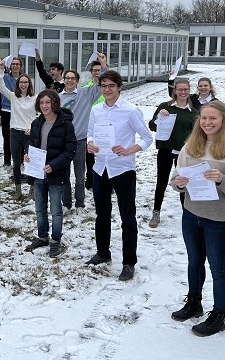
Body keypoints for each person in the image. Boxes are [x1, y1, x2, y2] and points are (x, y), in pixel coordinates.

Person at [170, 100, 225, 337]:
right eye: (204, 118)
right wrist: (178, 184)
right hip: (192, 214)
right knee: (194, 262)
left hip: (220, 219)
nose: (207, 123)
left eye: (213, 118)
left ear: (224, 121)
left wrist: (222, 180)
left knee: (218, 268)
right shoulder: (191, 145)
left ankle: (219, 315)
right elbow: (177, 177)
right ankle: (194, 302)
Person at [85, 71, 153, 282]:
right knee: (102, 215)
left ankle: (128, 263)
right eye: (103, 86)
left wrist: (129, 150)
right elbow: (90, 134)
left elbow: (147, 138)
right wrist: (90, 144)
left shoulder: (130, 110)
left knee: (127, 218)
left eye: (111, 86)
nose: (107, 89)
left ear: (119, 87)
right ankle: (103, 253)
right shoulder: (96, 110)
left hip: (122, 168)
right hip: (100, 168)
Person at [24, 89, 76, 257]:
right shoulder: (36, 123)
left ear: (54, 103)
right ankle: (42, 236)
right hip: (38, 173)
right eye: (42, 103)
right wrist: (28, 155)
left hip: (56, 174)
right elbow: (32, 144)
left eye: (48, 102)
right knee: (39, 209)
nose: (45, 106)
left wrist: (54, 165)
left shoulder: (66, 124)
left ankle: (55, 240)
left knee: (56, 210)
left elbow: (70, 150)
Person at [59, 53, 107, 216]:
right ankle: (66, 204)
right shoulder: (57, 98)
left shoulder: (86, 94)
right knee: (64, 176)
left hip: (79, 141)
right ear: (64, 80)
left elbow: (103, 83)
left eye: (73, 78)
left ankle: (80, 203)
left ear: (77, 81)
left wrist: (103, 65)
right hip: (62, 143)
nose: (70, 80)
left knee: (80, 175)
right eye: (67, 78)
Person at [147, 78, 199, 228]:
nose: (183, 92)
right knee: (161, 181)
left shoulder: (193, 112)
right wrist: (159, 118)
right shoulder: (165, 107)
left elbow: (196, 134)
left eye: (186, 89)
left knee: (183, 182)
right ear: (175, 90)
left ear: (189, 91)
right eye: (180, 89)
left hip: (183, 153)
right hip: (165, 150)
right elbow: (152, 126)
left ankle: (187, 213)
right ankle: (156, 212)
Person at [0, 67, 37, 201]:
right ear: (18, 84)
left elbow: (40, 115)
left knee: (30, 163)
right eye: (21, 82)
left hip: (28, 134)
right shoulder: (13, 96)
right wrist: (1, 71)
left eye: (26, 82)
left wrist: (33, 127)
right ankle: (18, 190)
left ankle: (32, 190)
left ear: (29, 84)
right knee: (16, 163)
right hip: (15, 132)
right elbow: (0, 85)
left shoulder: (35, 98)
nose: (23, 84)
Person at [85, 60, 104, 190]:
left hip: (105, 125)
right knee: (90, 156)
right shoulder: (87, 87)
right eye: (95, 70)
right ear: (91, 72)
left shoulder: (107, 87)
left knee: (105, 154)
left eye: (99, 70)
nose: (97, 72)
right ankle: (90, 180)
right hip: (91, 125)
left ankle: (107, 181)